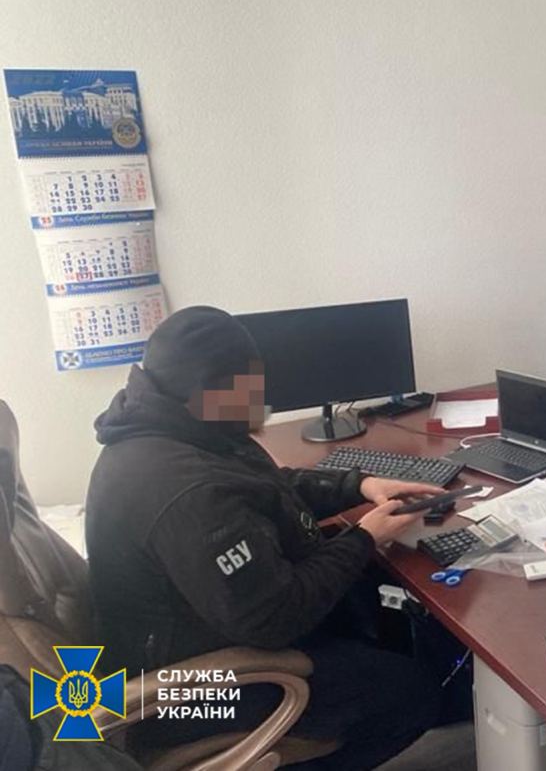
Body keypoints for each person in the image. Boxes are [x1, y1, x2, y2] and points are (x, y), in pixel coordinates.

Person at [86, 306, 446, 769]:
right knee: (412, 691)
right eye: (250, 387)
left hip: (192, 638)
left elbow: (265, 488)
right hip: (190, 696)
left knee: (375, 613)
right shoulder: (188, 492)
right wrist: (363, 539)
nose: (261, 399)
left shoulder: (176, 429)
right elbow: (276, 617)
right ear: (211, 390)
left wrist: (359, 486)